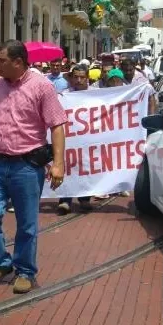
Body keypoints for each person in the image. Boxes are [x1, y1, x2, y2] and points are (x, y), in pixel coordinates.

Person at [0, 40, 67, 294]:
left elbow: (57, 125)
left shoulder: (41, 87)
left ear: (18, 62)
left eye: (1, 61)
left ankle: (25, 270)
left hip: (26, 166)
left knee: (26, 223)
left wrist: (58, 164)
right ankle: (0, 263)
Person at [57, 65, 92, 214]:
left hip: (89, 138)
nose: (78, 80)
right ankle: (65, 200)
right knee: (69, 167)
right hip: (70, 137)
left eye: (82, 77)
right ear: (71, 78)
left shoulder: (97, 94)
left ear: (87, 78)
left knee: (87, 166)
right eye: (76, 77)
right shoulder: (64, 95)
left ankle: (84, 198)